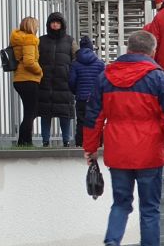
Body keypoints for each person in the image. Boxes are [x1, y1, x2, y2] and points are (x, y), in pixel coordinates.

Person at [83, 29, 164, 246]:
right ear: (152, 51)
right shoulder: (159, 79)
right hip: (149, 152)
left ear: (128, 49)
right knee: (150, 210)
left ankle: (112, 244)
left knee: (121, 204)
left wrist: (90, 148)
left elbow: (93, 116)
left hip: (118, 151)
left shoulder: (106, 77)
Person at [37, 12, 76, 147]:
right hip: (45, 82)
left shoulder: (70, 41)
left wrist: (71, 76)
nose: (55, 24)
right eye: (53, 22)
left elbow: (75, 59)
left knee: (64, 114)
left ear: (62, 24)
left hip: (64, 83)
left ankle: (66, 140)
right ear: (49, 24)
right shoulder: (41, 41)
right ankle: (45, 141)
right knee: (45, 114)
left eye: (57, 22)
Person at [10, 17, 42, 147]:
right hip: (29, 79)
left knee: (29, 110)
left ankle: (24, 140)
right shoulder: (29, 39)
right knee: (31, 111)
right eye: (36, 26)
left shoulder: (17, 38)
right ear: (32, 26)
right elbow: (29, 62)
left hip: (19, 78)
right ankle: (25, 140)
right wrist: (40, 70)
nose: (37, 28)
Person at [68, 36, 105, 138]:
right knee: (96, 121)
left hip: (81, 98)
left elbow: (71, 81)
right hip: (96, 98)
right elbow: (104, 81)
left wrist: (76, 91)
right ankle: (98, 141)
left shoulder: (75, 64)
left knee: (81, 121)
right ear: (92, 48)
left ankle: (80, 142)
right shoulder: (100, 64)